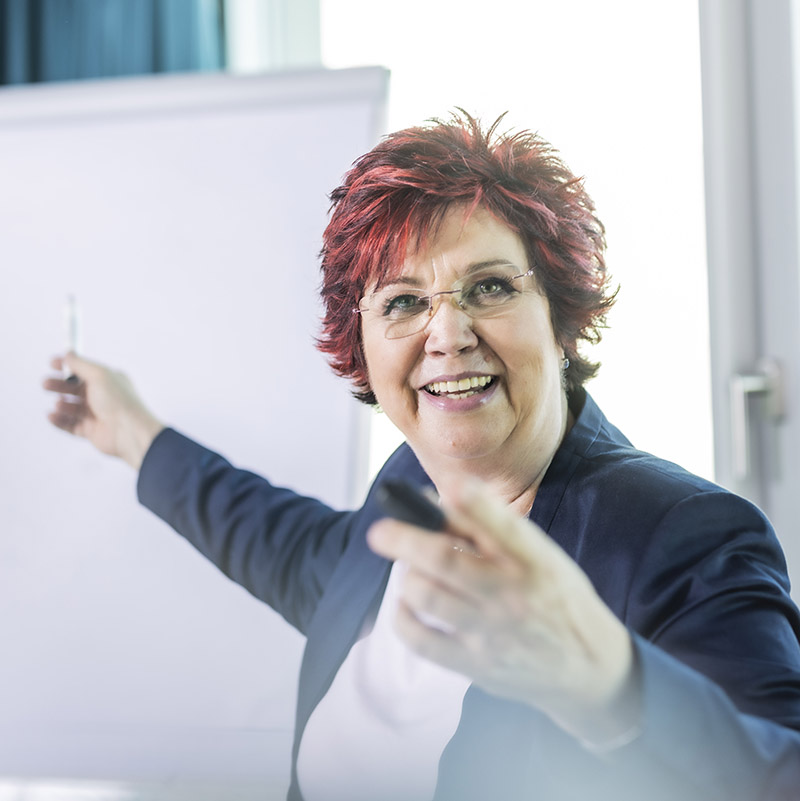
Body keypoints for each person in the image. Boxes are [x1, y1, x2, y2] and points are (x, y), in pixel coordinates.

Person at [44, 112, 800, 801]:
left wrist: (612, 688)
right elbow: (296, 550)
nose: (448, 333)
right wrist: (135, 435)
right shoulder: (410, 487)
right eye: (403, 302)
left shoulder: (684, 533)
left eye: (491, 287)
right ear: (363, 347)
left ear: (562, 321)